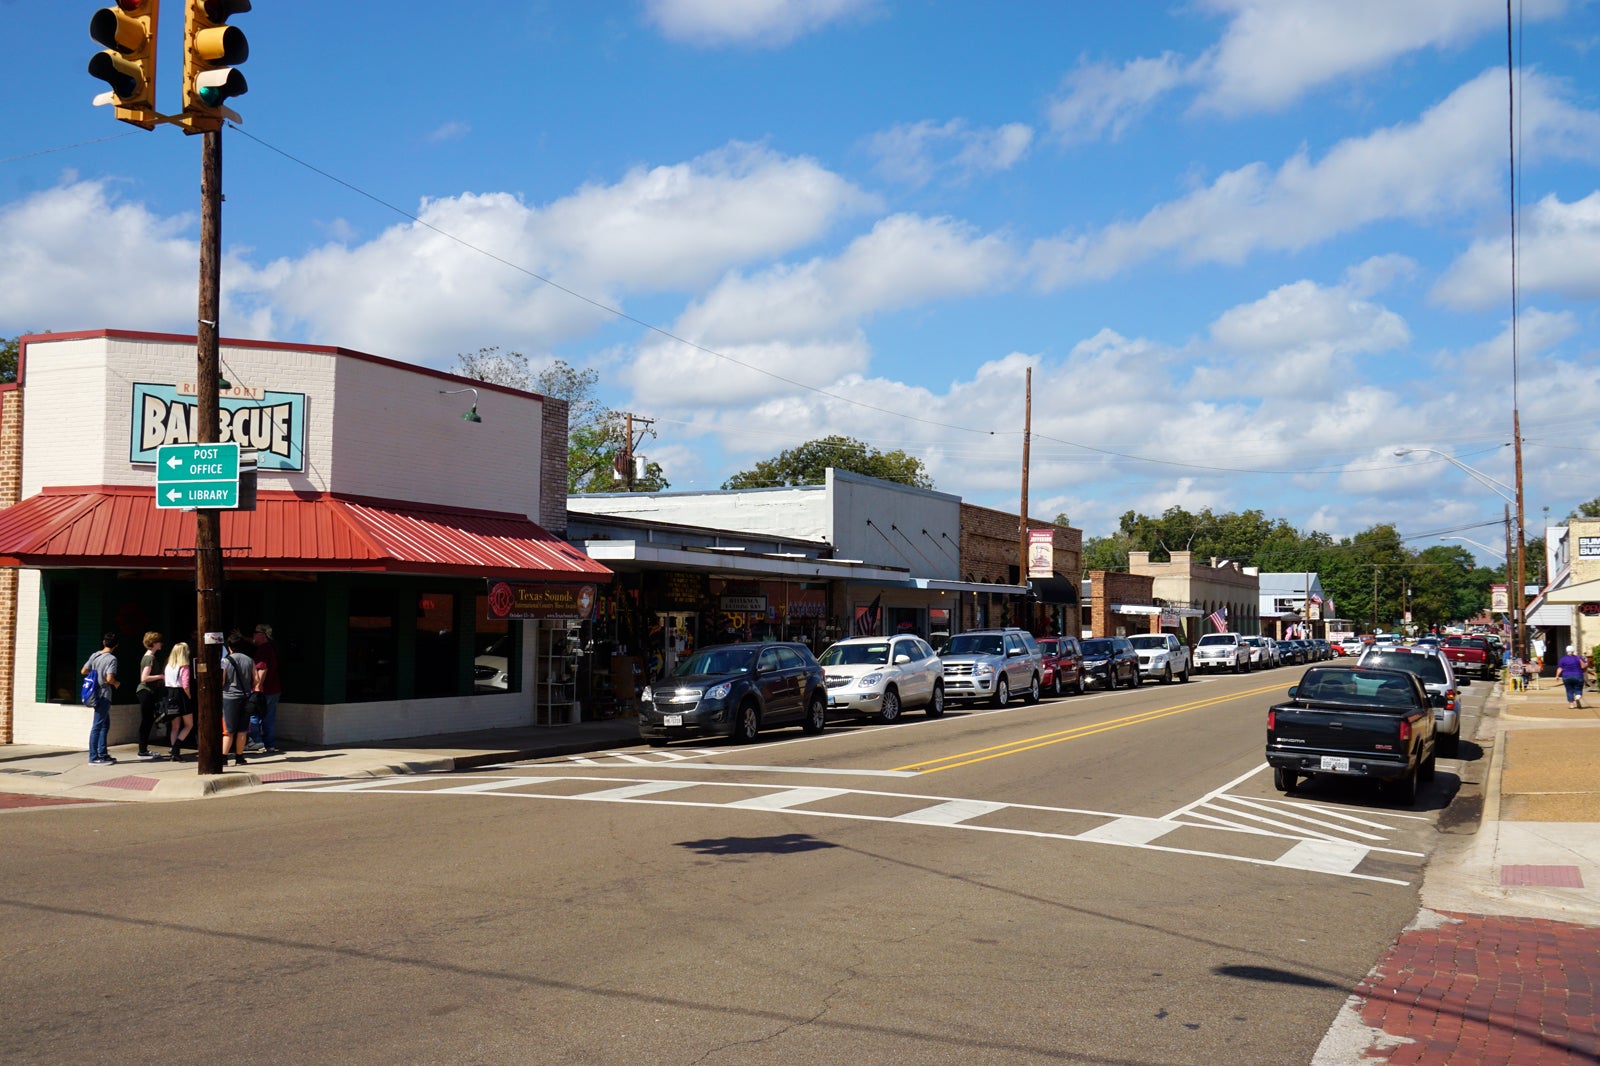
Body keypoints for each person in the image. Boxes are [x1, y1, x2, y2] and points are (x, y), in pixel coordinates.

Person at [80, 632, 120, 765]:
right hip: (104, 695)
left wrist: (95, 674)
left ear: (104, 642)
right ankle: (93, 756)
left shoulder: (95, 655)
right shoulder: (112, 659)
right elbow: (109, 678)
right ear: (116, 645)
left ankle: (102, 753)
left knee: (104, 725)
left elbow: (83, 671)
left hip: (94, 693)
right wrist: (116, 683)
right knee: (97, 726)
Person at [221, 632, 257, 767]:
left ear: (229, 646)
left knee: (228, 730)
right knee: (242, 729)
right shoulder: (249, 660)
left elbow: (222, 680)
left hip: (229, 698)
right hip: (246, 697)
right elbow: (256, 680)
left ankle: (224, 757)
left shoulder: (225, 661)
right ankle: (239, 757)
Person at [248, 623, 283, 755]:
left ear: (262, 635)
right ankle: (270, 745)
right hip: (274, 689)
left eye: (254, 632)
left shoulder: (263, 650)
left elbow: (262, 669)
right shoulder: (271, 647)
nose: (253, 635)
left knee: (253, 716)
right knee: (269, 717)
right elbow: (252, 641)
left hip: (264, 690)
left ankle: (256, 742)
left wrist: (256, 687)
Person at [134, 631, 166, 759]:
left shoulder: (148, 656)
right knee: (146, 721)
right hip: (145, 691)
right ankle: (142, 750)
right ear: (154, 643)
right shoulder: (150, 658)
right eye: (159, 642)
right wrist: (161, 676)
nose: (161, 644)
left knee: (148, 720)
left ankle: (143, 749)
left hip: (147, 691)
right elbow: (144, 677)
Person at [163, 641, 196, 761]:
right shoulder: (184, 666)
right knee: (189, 724)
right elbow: (186, 685)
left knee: (175, 726)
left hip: (170, 694)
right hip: (181, 694)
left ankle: (173, 752)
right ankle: (176, 746)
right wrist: (189, 696)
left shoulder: (168, 666)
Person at [1557, 644, 1588, 710]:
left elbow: (1560, 668)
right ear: (1573, 651)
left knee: (1569, 690)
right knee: (1578, 688)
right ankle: (1578, 696)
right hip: (1578, 675)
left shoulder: (1563, 659)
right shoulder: (1579, 658)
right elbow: (1584, 666)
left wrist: (1557, 676)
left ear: (1566, 651)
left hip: (1566, 676)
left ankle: (1571, 705)